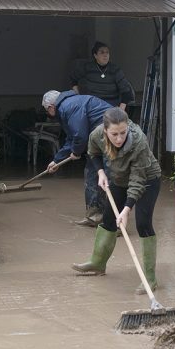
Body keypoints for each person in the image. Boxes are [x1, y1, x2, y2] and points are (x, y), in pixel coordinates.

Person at [72, 107, 162, 294]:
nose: (119, 138)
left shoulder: (139, 141)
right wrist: (100, 172)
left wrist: (127, 210)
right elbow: (93, 152)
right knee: (108, 219)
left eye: (123, 133)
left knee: (143, 224)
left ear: (128, 127)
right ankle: (98, 264)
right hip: (119, 178)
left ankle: (150, 279)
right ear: (105, 131)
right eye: (114, 134)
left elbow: (137, 180)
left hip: (147, 179)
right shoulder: (97, 134)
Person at [42, 89, 112, 227]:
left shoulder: (68, 107)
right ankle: (94, 216)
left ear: (51, 107)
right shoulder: (67, 105)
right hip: (98, 138)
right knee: (92, 175)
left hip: (110, 136)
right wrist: (56, 160)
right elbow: (71, 138)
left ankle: (113, 221)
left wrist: (76, 151)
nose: (48, 114)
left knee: (109, 177)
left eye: (47, 111)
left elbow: (80, 136)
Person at [70, 41, 134, 110]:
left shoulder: (115, 70)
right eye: (102, 52)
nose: (105, 55)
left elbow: (126, 91)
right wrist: (78, 96)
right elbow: (73, 79)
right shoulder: (87, 68)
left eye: (107, 52)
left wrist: (120, 110)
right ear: (95, 55)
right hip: (92, 106)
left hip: (110, 106)